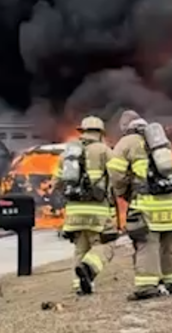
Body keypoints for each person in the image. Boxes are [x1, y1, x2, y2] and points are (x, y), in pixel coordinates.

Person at [107, 110, 172, 300]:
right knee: (169, 243)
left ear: (125, 127)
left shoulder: (126, 142)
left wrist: (123, 192)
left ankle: (146, 286)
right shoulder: (161, 141)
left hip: (147, 204)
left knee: (146, 243)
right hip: (171, 202)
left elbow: (115, 174)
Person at [55, 115, 118, 295]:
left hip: (74, 211)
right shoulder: (104, 150)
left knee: (80, 247)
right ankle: (88, 268)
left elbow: (57, 182)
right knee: (106, 244)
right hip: (97, 210)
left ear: (82, 131)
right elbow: (117, 175)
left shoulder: (67, 154)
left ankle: (79, 286)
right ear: (100, 133)